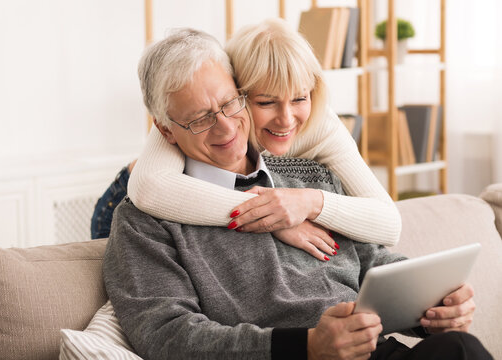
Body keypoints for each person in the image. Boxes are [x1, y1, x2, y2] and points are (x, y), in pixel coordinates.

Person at [103, 28, 492, 360]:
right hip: (286, 354)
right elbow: (166, 335)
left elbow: (371, 259)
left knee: (460, 348)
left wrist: (433, 305)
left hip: (369, 351)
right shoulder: (142, 221)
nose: (225, 128)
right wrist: (306, 346)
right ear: (166, 130)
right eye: (200, 119)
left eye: (228, 104)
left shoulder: (311, 173)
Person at [126, 19, 401, 261]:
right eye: (266, 102)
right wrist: (274, 218)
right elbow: (149, 188)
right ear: (237, 89)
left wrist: (309, 203)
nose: (286, 119)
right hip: (133, 196)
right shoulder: (192, 114)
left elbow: (389, 225)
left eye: (299, 98)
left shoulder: (322, 124)